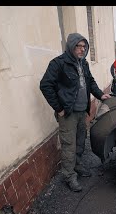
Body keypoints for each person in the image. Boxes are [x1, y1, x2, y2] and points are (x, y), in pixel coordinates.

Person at [40, 33, 111, 192]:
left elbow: (90, 82)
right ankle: (69, 176)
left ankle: (77, 166)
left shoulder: (83, 63)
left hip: (81, 111)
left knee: (80, 141)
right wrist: (58, 108)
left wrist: (100, 94)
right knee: (69, 145)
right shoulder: (58, 63)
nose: (81, 49)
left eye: (84, 46)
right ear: (70, 46)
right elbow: (45, 85)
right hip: (68, 114)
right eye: (78, 46)